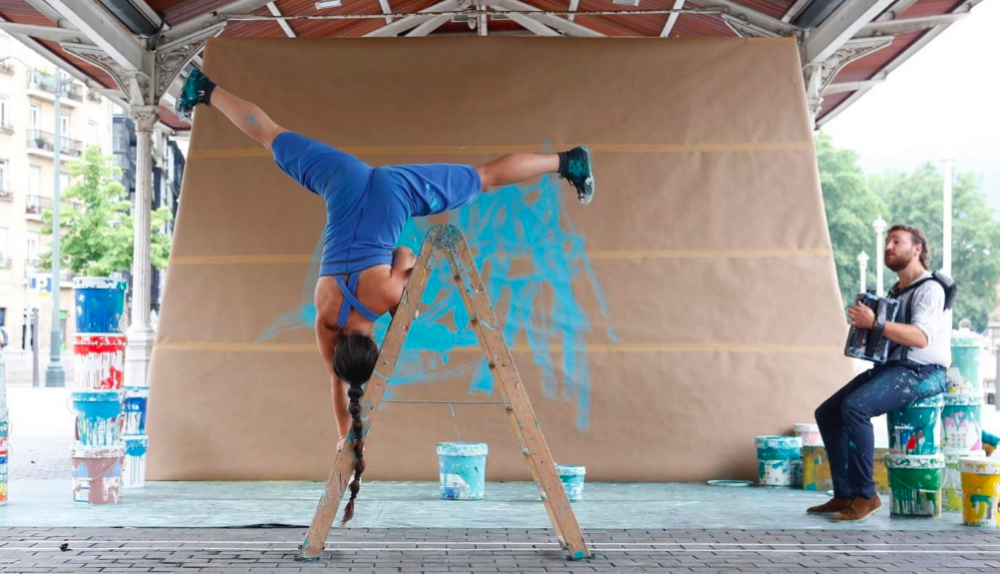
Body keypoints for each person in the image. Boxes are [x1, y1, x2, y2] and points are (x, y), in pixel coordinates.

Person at [175, 69, 596, 524]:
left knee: (484, 177)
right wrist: (344, 435)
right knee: (271, 135)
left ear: (376, 345)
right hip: (344, 181)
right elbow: (335, 380)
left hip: (396, 193)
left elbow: (405, 253)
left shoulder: (387, 296)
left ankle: (566, 161)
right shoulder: (326, 313)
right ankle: (206, 89)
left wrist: (401, 293)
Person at [810, 224, 949, 522]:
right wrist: (865, 334)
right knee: (827, 413)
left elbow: (921, 337)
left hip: (924, 372)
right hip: (895, 368)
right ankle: (845, 493)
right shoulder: (896, 291)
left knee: (855, 407)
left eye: (896, 241)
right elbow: (888, 336)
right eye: (887, 241)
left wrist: (876, 323)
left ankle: (866, 496)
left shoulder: (930, 289)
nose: (888, 246)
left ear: (917, 249)